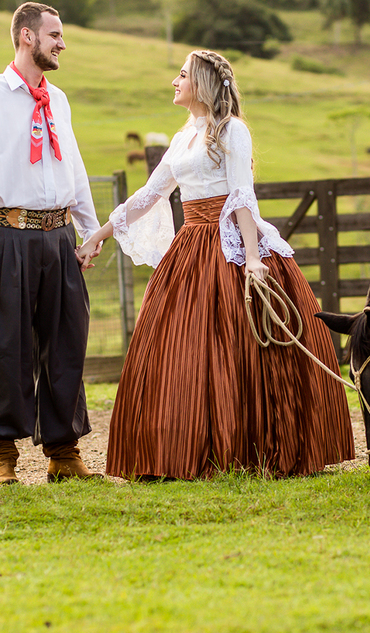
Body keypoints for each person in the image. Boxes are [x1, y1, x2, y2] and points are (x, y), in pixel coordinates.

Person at [76, 50, 354, 479]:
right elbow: (149, 195)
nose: (175, 82)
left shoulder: (232, 130)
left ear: (202, 84)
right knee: (178, 347)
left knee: (237, 346)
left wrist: (253, 258)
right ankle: (175, 448)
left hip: (229, 243)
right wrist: (98, 235)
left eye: (182, 75)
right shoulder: (182, 137)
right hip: (190, 245)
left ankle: (245, 446)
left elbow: (241, 195)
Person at [0, 2, 103, 485]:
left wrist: (89, 231)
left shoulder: (58, 99)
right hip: (7, 236)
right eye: (54, 35)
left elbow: (74, 167)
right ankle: (0, 454)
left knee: (66, 344)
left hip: (59, 238)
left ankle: (63, 452)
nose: (62, 43)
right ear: (27, 36)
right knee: (5, 348)